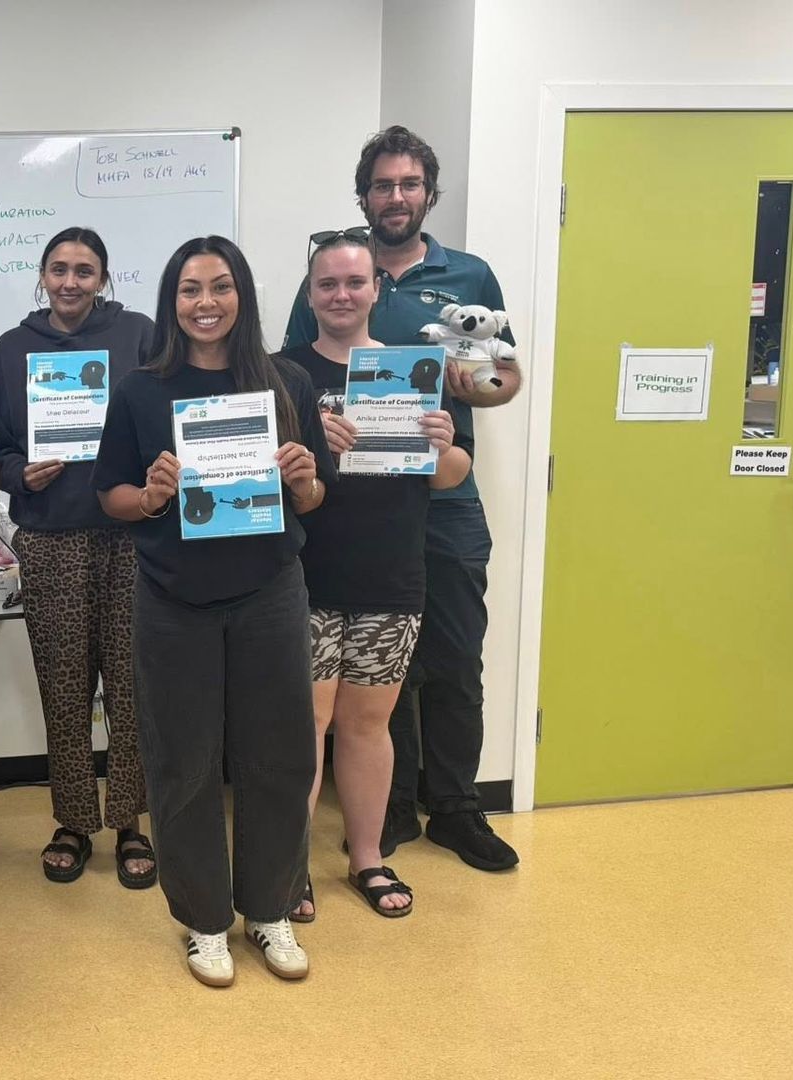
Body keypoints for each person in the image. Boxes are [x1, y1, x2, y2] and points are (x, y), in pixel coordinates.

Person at [92, 236, 334, 988]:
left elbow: (318, 498)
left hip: (268, 592)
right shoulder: (139, 390)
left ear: (243, 296)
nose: (205, 302)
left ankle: (269, 909)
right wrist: (153, 495)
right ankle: (204, 920)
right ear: (171, 302)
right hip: (173, 600)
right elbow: (112, 497)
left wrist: (301, 480)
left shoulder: (285, 380)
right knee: (184, 761)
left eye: (220, 286)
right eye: (190, 289)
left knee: (280, 755)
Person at [283, 125, 524, 871]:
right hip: (337, 522)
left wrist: (463, 385)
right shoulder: (323, 287)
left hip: (438, 502)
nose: (396, 197)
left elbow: (506, 379)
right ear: (364, 197)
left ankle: (454, 808)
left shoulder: (471, 276)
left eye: (408, 185)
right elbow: (293, 385)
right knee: (349, 697)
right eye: (382, 186)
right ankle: (385, 819)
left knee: (450, 660)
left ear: (428, 194)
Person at [279, 232, 470, 921]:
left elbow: (453, 475)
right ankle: (289, 864)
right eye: (327, 284)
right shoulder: (283, 372)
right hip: (303, 577)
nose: (341, 295)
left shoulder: (417, 369)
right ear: (310, 294)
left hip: (391, 575)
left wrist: (443, 441)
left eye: (354, 283)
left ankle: (367, 857)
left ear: (375, 290)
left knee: (367, 724)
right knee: (305, 725)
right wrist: (306, 449)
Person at [0, 226, 158, 887]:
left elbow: (163, 415)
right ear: (42, 275)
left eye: (85, 270)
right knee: (63, 687)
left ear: (103, 278)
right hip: (51, 536)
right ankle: (74, 822)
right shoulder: (12, 347)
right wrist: (18, 472)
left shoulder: (138, 334)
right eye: (58, 269)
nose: (70, 282)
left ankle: (132, 822)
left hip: (131, 535)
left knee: (132, 686)